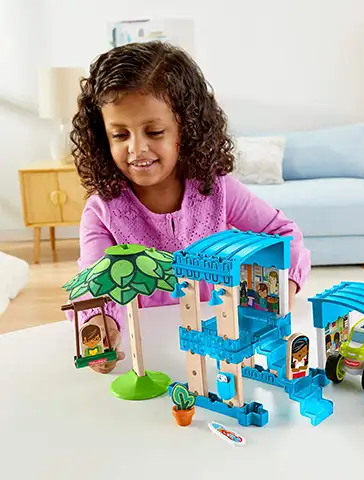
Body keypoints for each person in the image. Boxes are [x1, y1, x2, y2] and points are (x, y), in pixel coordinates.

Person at [66, 41, 311, 374]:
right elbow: (94, 283)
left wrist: (283, 289)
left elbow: (283, 233)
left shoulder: (216, 189)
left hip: (218, 343)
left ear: (187, 127)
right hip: (150, 352)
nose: (137, 148)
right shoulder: (102, 211)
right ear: (102, 137)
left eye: (154, 132)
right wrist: (99, 326)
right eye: (120, 135)